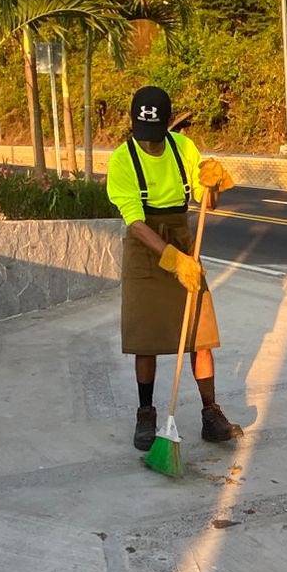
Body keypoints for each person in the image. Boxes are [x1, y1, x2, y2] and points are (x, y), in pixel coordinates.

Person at [107, 85, 242, 451]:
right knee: (145, 338)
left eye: (155, 135)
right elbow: (134, 221)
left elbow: (206, 204)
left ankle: (210, 413)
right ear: (134, 123)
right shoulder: (122, 160)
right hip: (144, 245)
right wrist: (171, 258)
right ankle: (146, 412)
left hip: (184, 237)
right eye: (143, 134)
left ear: (168, 125)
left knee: (201, 335)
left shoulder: (184, 149)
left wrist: (213, 186)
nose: (149, 144)